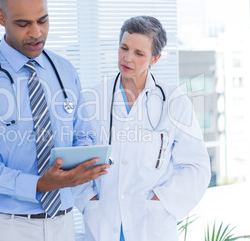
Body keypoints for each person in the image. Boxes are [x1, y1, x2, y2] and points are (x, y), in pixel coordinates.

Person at [0, 0, 109, 241]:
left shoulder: (64, 70)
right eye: (23, 24)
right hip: (4, 227)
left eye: (43, 20)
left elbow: (83, 134)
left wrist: (85, 161)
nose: (36, 33)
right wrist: (39, 184)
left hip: (63, 223)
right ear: (1, 17)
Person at [81, 16, 211, 241]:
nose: (127, 58)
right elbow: (75, 158)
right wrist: (87, 202)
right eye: (124, 48)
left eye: (139, 53)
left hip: (152, 227)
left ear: (155, 58)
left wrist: (160, 202)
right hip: (102, 222)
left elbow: (196, 167)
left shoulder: (174, 103)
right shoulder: (92, 100)